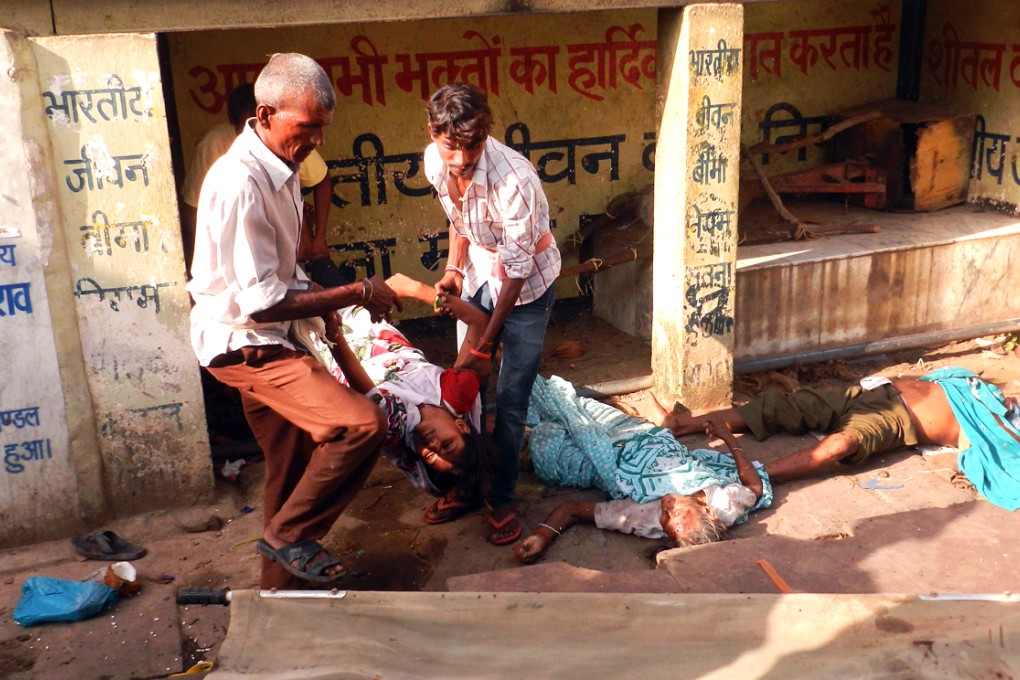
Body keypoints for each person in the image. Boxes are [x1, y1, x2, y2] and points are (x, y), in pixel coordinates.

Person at [186, 53, 401, 588]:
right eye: (307, 128)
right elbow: (260, 301)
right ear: (264, 114)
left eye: (322, 130)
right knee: (360, 424)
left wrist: (328, 307)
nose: (316, 142)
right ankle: (286, 540)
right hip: (244, 343)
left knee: (291, 469)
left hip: (271, 335)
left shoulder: (280, 172)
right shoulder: (240, 181)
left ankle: (277, 598)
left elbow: (283, 273)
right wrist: (356, 290)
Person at [424, 82, 562, 545]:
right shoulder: (434, 162)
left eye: (472, 147)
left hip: (526, 290)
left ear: (486, 134)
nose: (460, 159)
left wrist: (487, 342)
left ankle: (501, 498)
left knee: (509, 399)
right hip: (482, 275)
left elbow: (519, 272)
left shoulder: (515, 179)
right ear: (433, 133)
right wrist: (454, 270)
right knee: (464, 390)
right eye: (451, 147)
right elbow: (459, 219)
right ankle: (468, 483)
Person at [657, 367, 1020, 510]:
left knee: (843, 444)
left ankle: (755, 474)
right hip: (872, 392)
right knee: (785, 406)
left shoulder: (1000, 429)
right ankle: (684, 424)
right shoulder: (984, 393)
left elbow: (1000, 461)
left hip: (896, 417)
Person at [290, 273, 498, 507]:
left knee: (282, 275)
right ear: (461, 426)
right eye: (447, 444)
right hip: (362, 308)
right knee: (308, 256)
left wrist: (329, 317)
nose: (433, 443)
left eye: (430, 455)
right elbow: (478, 321)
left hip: (318, 326)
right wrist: (414, 289)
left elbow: (339, 346)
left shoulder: (394, 426)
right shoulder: (456, 394)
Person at [514, 376, 770, 564]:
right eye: (678, 513)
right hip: (640, 435)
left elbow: (571, 510)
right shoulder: (724, 505)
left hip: (605, 455)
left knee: (547, 439)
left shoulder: (641, 518)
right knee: (569, 405)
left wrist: (541, 537)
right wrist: (727, 437)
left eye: (665, 521)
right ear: (707, 511)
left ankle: (513, 367)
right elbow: (754, 488)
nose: (667, 510)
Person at [179, 83, 341, 286]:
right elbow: (263, 301)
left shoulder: (287, 150)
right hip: (245, 291)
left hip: (280, 272)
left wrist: (318, 240)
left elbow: (321, 179)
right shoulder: (237, 174)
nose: (319, 140)